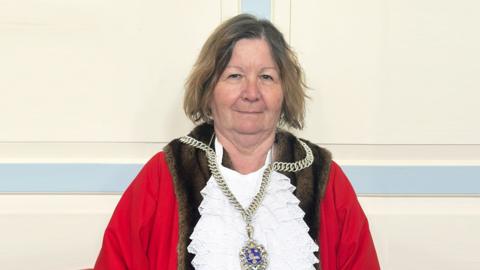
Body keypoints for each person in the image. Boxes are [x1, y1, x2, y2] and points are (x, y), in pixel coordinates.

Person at [93, 14, 380, 270]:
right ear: (208, 90)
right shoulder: (164, 175)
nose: (251, 92)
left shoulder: (325, 179)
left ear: (284, 91)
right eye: (234, 76)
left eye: (266, 77)